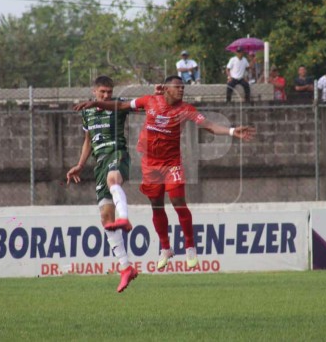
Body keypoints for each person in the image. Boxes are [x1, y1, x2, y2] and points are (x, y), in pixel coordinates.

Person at [73, 76, 255, 270]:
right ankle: (165, 248)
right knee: (157, 205)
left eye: (182, 87)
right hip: (151, 165)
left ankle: (190, 246)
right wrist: (96, 104)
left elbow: (209, 125)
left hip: (172, 164)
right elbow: (122, 106)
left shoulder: (185, 109)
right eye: (177, 87)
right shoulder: (149, 101)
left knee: (177, 200)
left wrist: (231, 131)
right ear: (166, 89)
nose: (181, 90)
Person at [66, 76, 137, 293]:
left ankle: (124, 218)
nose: (106, 95)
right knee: (106, 218)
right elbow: (88, 140)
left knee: (113, 179)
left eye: (109, 91)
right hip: (100, 162)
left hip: (117, 153)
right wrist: (80, 164)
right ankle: (126, 268)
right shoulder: (87, 112)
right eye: (102, 92)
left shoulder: (118, 105)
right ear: (94, 90)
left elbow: (138, 105)